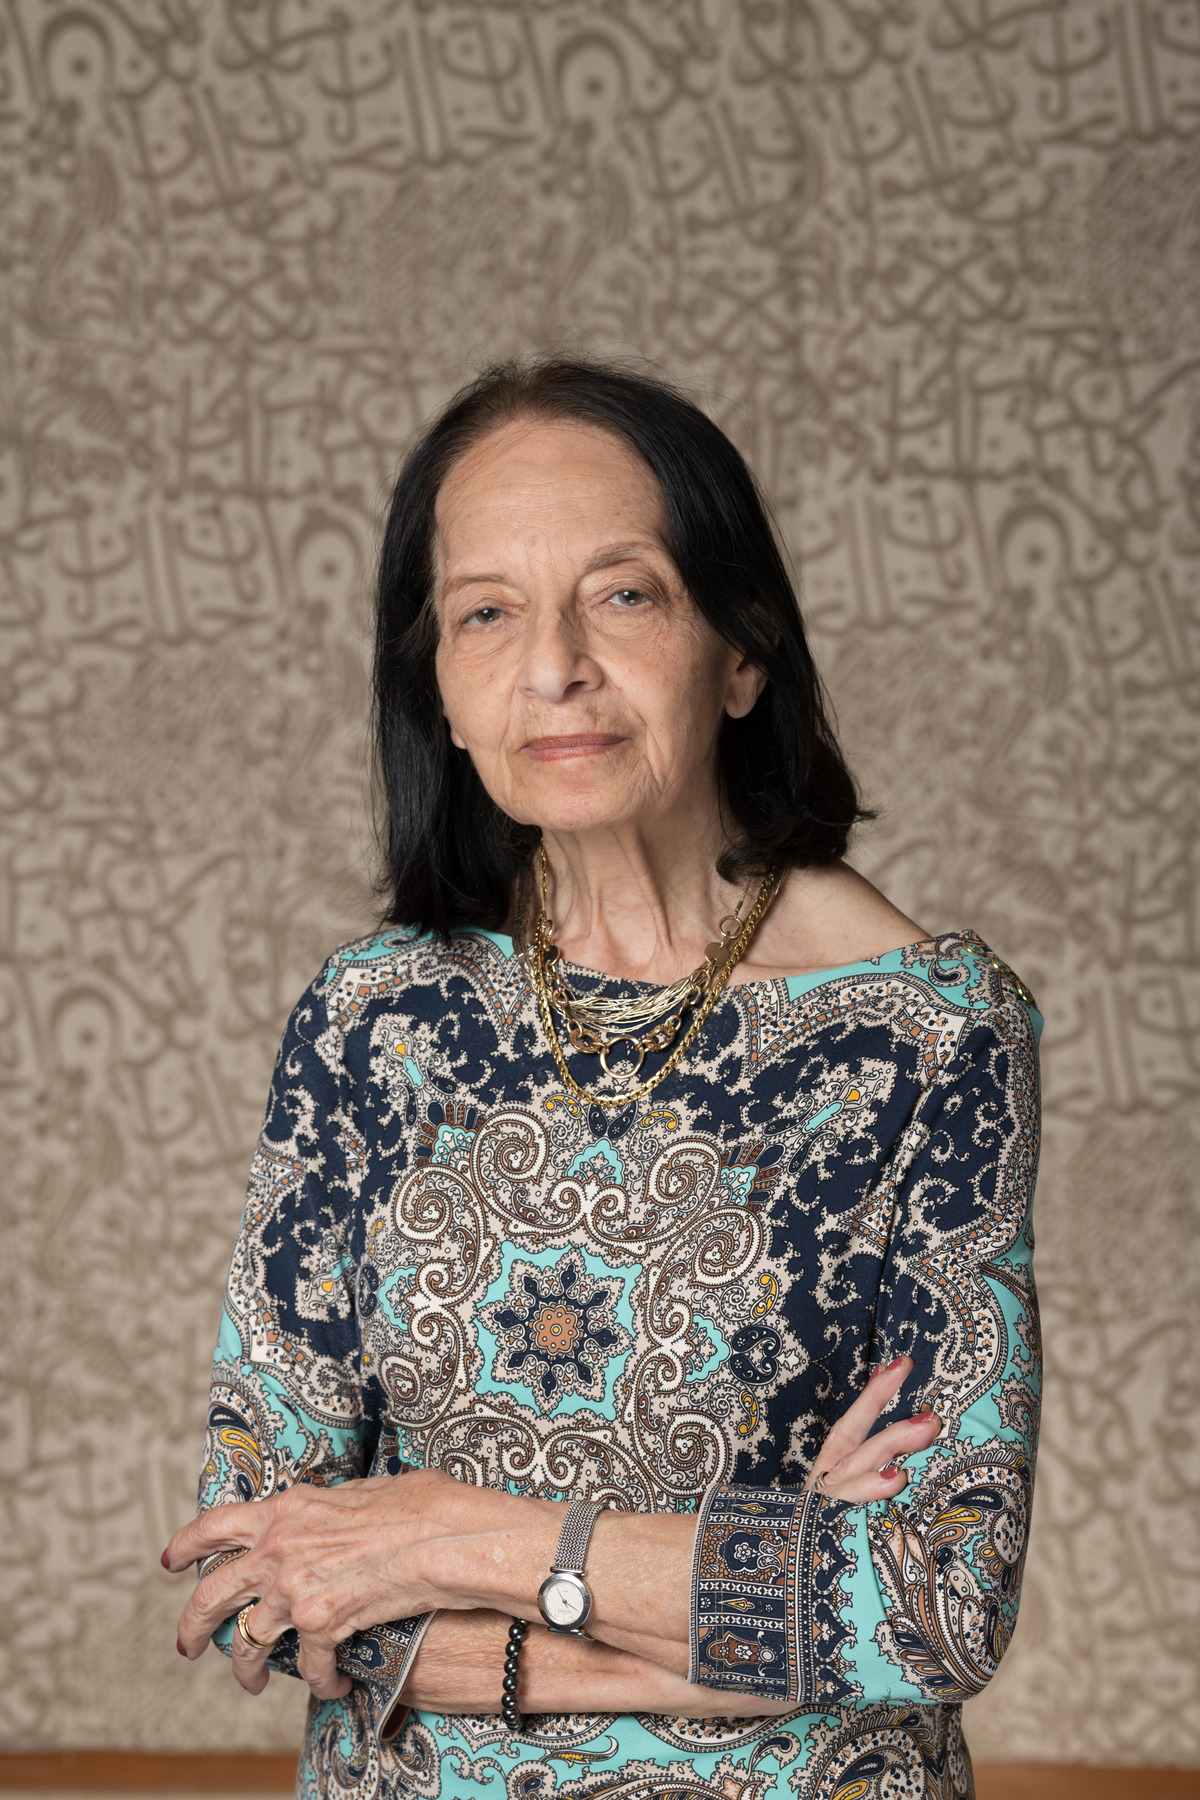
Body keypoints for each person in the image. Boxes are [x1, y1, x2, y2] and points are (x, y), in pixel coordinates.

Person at [165, 359, 1041, 1800]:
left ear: (743, 649)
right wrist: (736, 1614)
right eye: (486, 613)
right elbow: (268, 1575)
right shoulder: (373, 1025)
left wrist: (444, 1538)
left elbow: (933, 1606)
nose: (553, 666)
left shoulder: (931, 1035)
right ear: (439, 689)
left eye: (623, 594)